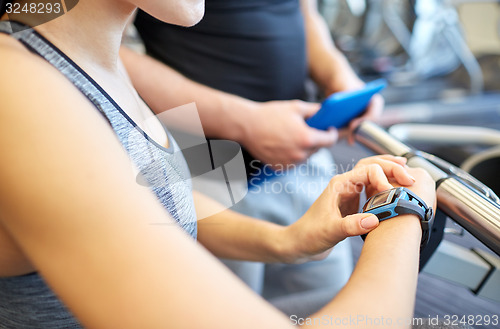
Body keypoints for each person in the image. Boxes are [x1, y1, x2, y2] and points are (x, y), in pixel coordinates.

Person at [0, 0, 435, 328]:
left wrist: (286, 240)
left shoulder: (96, 64)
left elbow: (152, 205)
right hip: (233, 165)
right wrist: (404, 213)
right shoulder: (20, 89)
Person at [121, 0, 385, 315]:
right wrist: (245, 121)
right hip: (207, 159)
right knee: (228, 312)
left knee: (328, 303)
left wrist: (340, 78)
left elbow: (304, 13)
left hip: (302, 146)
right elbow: (110, 52)